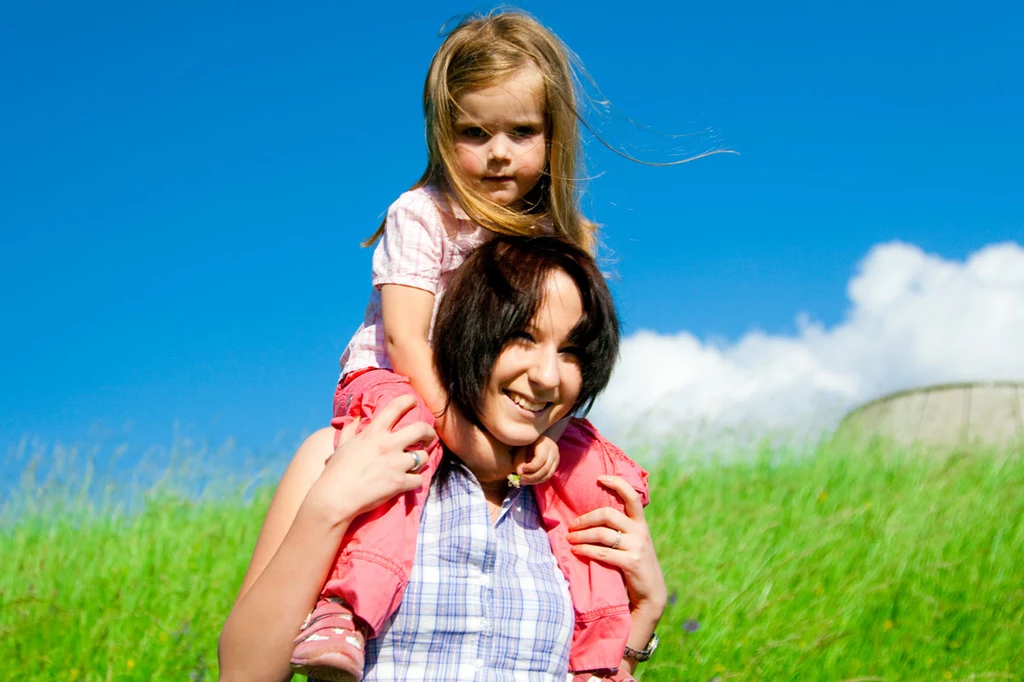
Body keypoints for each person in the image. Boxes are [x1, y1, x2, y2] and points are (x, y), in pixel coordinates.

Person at [294, 9, 651, 680]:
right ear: (442, 131)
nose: (498, 152)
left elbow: (561, 355)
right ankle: (344, 611)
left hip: (490, 403)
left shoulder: (554, 236)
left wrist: (543, 436)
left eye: (522, 131)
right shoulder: (423, 213)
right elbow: (404, 335)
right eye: (474, 132)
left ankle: (602, 653)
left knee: (593, 474)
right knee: (402, 455)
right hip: (400, 377)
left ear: (554, 136)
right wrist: (466, 437)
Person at [218, 236, 668, 681]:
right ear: (466, 332)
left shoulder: (577, 500)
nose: (547, 376)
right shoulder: (350, 453)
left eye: (570, 352)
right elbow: (244, 674)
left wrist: (643, 615)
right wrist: (327, 509)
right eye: (522, 337)